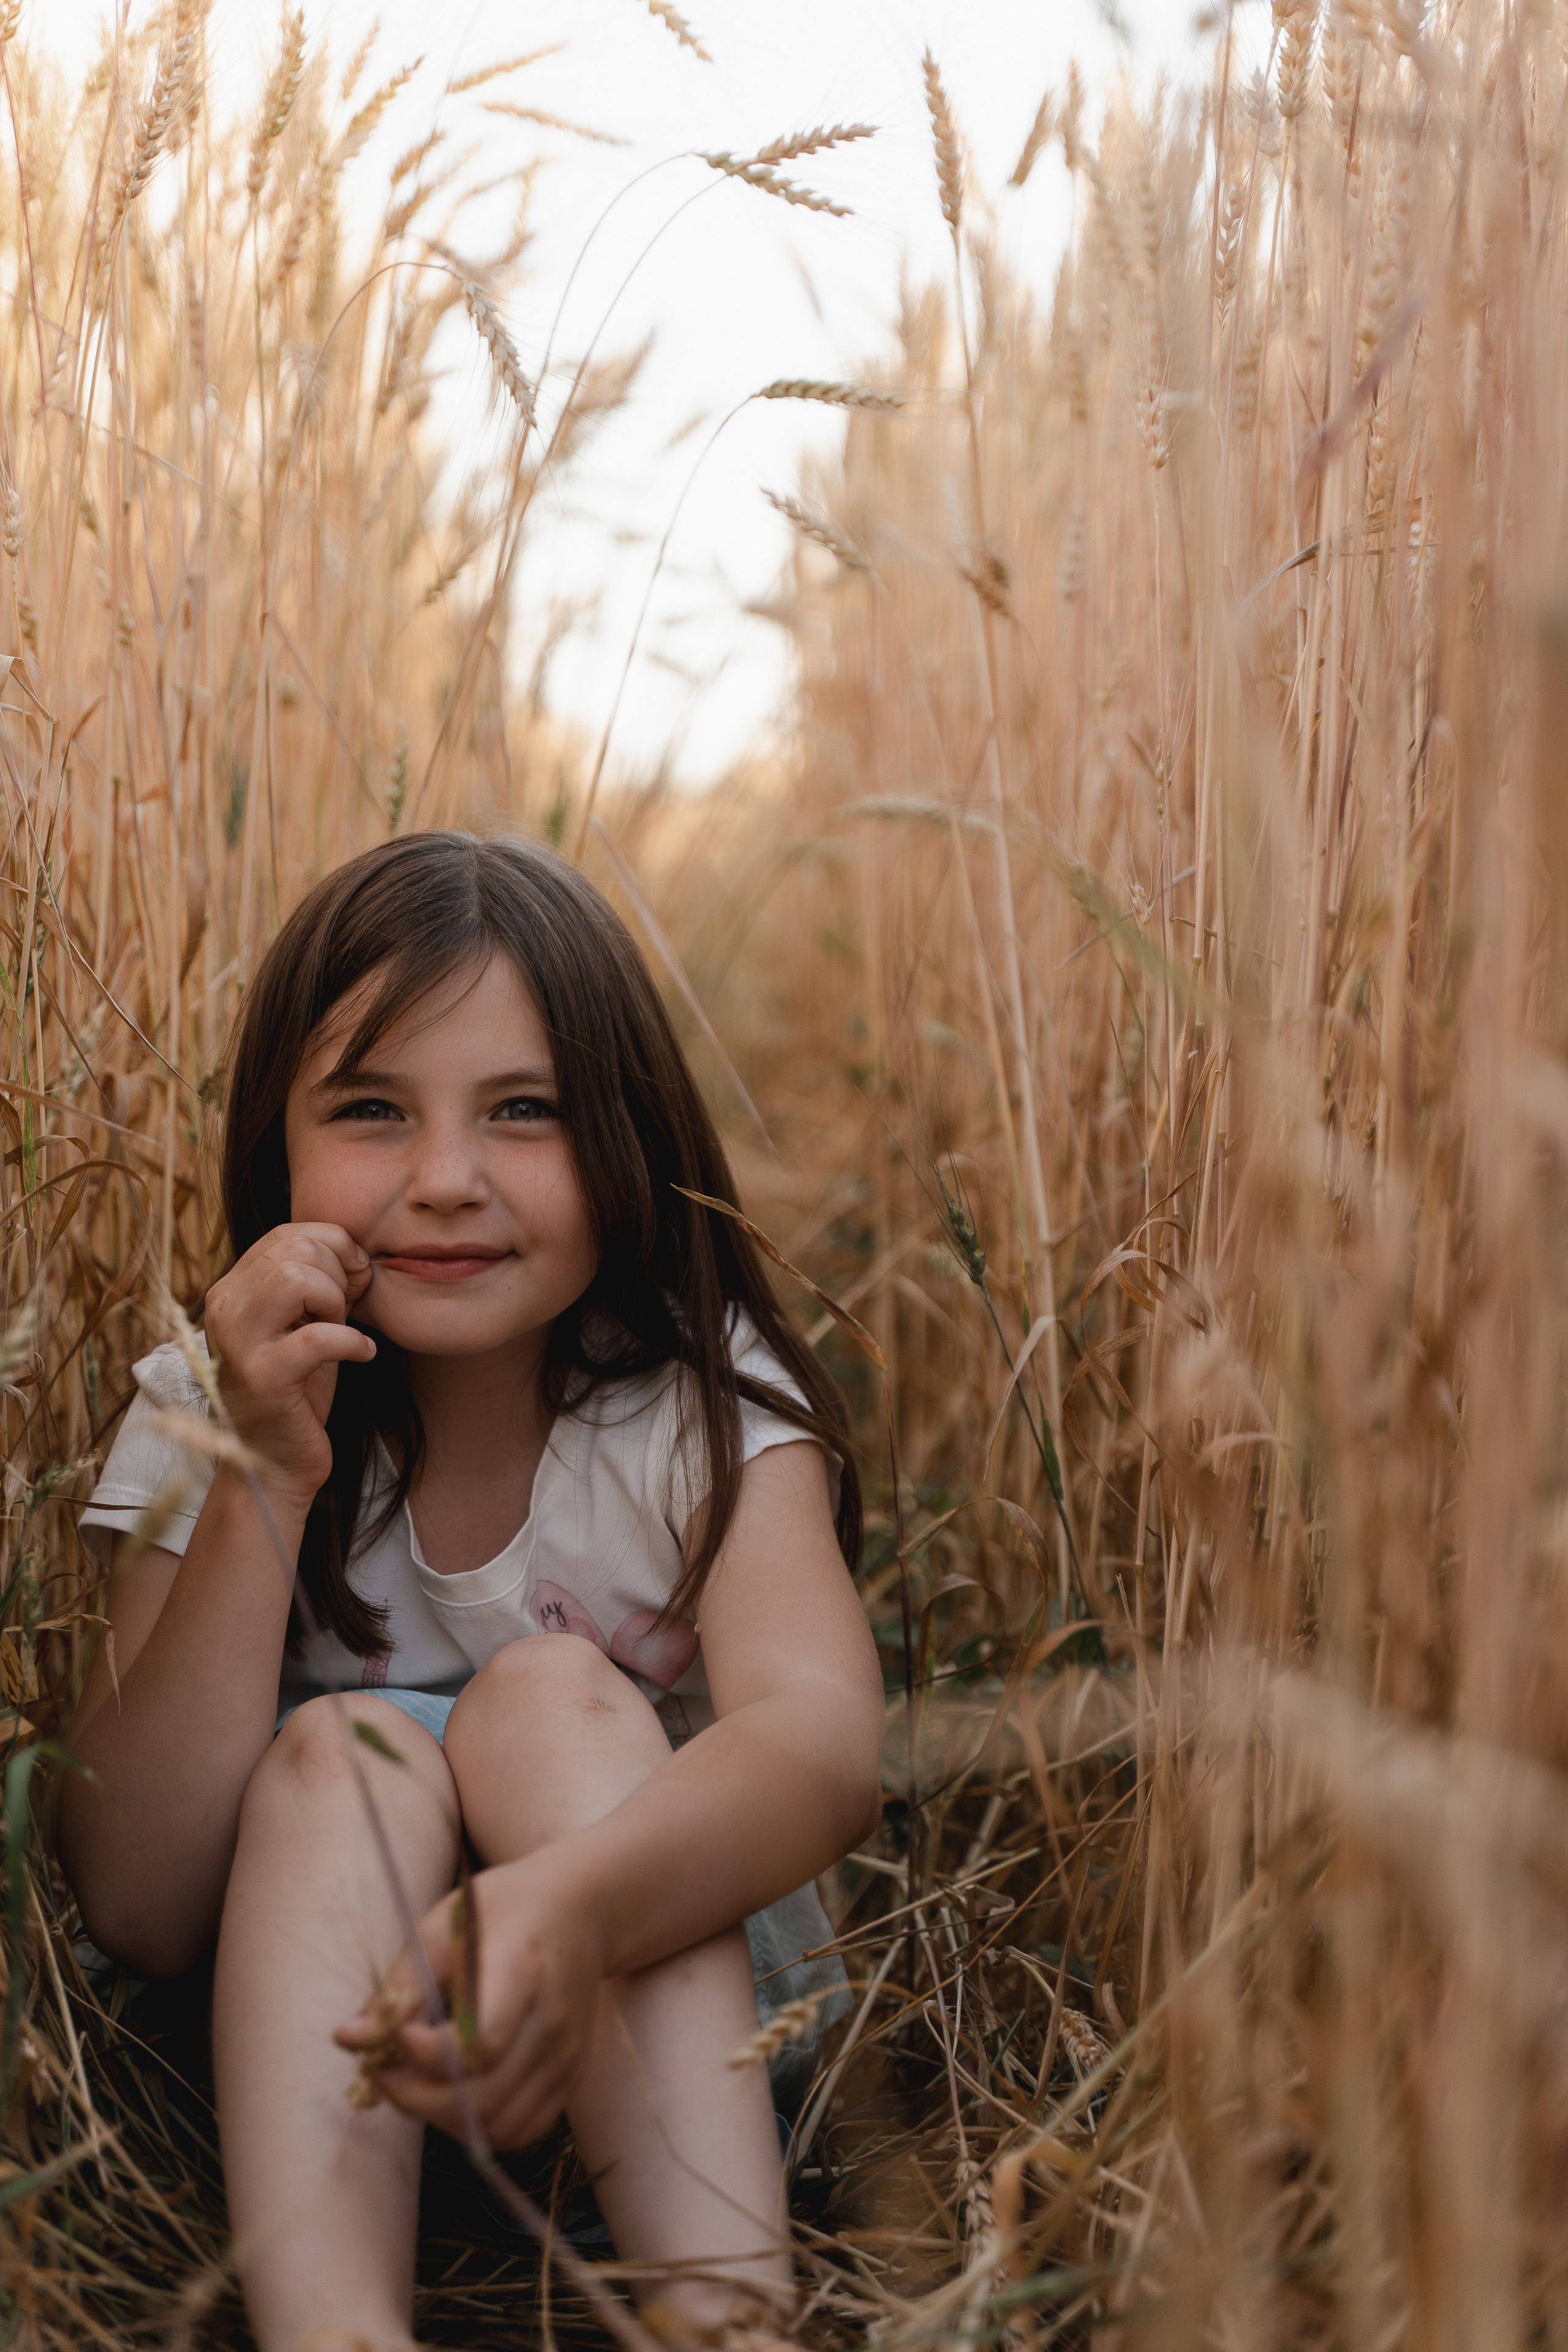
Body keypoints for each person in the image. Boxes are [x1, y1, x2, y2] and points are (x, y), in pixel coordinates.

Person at [59, 832, 885, 2352]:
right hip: (327, 2083)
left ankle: (723, 2321)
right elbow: (142, 1898)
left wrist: (560, 1913)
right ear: (276, 1145)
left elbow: (824, 1743)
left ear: (627, 1139)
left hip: (681, 2050)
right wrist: (261, 1473)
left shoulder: (698, 1411)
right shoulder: (208, 1404)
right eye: (372, 1111)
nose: (444, 1182)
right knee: (336, 1755)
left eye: (524, 1112)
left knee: (555, 1699)